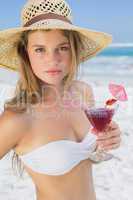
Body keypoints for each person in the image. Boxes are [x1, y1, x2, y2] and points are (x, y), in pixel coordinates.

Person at [0, 0, 121, 200]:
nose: (53, 59)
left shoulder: (82, 92)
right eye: (40, 49)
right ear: (25, 54)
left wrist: (107, 141)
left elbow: (86, 160)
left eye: (62, 48)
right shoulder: (17, 118)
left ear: (73, 49)